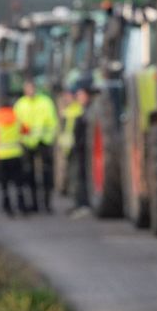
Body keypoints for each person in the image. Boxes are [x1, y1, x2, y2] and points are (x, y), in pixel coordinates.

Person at [14, 79, 58, 213]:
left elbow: (52, 122)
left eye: (32, 88)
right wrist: (22, 139)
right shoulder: (20, 104)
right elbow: (17, 124)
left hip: (44, 142)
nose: (30, 91)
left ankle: (46, 204)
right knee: (29, 175)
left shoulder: (45, 102)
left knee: (46, 174)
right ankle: (33, 204)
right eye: (27, 89)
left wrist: (48, 138)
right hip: (27, 143)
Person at [0, 94, 29, 217]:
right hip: (16, 155)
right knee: (19, 183)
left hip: (1, 157)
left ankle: (7, 207)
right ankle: (21, 206)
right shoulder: (16, 116)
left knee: (4, 184)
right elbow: (26, 130)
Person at [65, 84, 92, 218]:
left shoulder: (83, 111)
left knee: (81, 178)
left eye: (81, 94)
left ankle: (84, 205)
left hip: (82, 150)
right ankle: (79, 204)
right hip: (74, 149)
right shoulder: (75, 110)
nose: (78, 97)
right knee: (77, 179)